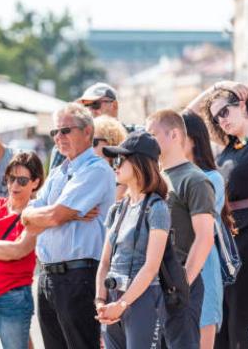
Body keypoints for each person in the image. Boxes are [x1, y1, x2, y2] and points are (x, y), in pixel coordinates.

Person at [22, 103, 116, 349]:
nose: (58, 137)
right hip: (48, 277)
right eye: (55, 132)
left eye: (65, 131)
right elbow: (28, 219)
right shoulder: (58, 173)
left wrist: (54, 214)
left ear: (87, 132)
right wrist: (61, 214)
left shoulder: (96, 169)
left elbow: (51, 215)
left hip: (79, 276)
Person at [146, 109, 216, 348]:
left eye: (152, 134)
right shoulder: (158, 178)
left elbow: (205, 238)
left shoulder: (194, 179)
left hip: (180, 286)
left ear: (174, 134)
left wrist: (181, 285)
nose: (148, 140)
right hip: (155, 284)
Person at [94, 131, 171, 348]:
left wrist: (122, 303)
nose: (114, 165)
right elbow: (105, 262)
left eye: (120, 159)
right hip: (112, 298)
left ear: (139, 163)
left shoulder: (157, 208)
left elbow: (151, 267)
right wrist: (101, 301)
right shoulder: (118, 208)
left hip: (143, 300)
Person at [0, 152, 44, 349]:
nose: (14, 185)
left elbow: (19, 250)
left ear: (35, 183)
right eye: (11, 178)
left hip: (12, 297)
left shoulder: (36, 213)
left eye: (22, 180)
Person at [200, 85, 248, 349]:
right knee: (225, 330)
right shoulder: (227, 149)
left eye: (226, 110)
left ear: (242, 104)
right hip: (228, 244)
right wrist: (214, 86)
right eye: (216, 116)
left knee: (243, 330)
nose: (222, 119)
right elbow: (186, 120)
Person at [182, 110, 231, 349]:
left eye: (175, 135)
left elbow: (201, 230)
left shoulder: (211, 178)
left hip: (202, 269)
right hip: (172, 272)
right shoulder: (166, 178)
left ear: (192, 139)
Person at [93, 115, 129, 201]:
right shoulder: (88, 172)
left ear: (110, 141)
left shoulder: (121, 178)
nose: (87, 147)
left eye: (93, 142)